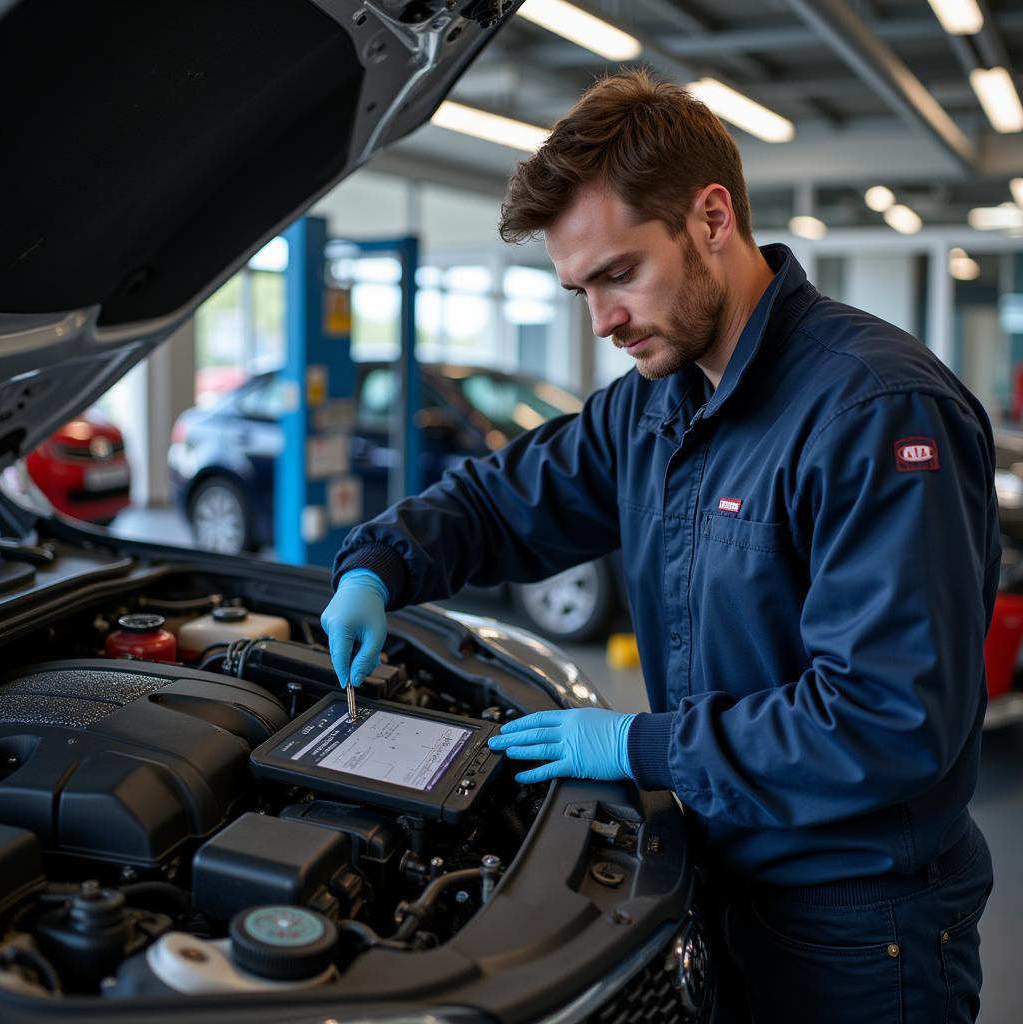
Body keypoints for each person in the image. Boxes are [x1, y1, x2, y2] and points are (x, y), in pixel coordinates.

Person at [321, 69, 997, 1023]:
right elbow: (505, 499)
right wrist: (378, 563)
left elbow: (889, 719)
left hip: (858, 927)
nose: (601, 321)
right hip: (714, 878)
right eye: (579, 288)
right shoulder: (656, 404)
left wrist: (643, 746)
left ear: (712, 218)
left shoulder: (872, 413)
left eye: (620, 274)